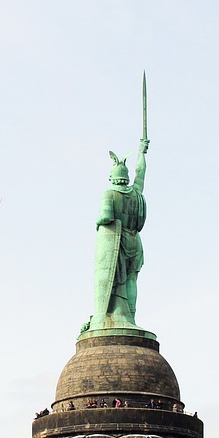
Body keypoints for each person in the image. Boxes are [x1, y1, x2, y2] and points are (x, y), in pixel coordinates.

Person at [90, 137, 149, 329]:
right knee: (132, 278)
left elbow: (106, 217)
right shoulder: (136, 193)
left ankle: (116, 314)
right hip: (135, 241)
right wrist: (142, 152)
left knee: (115, 280)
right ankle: (130, 318)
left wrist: (97, 223)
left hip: (118, 241)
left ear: (112, 177)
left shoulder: (109, 194)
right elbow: (140, 173)